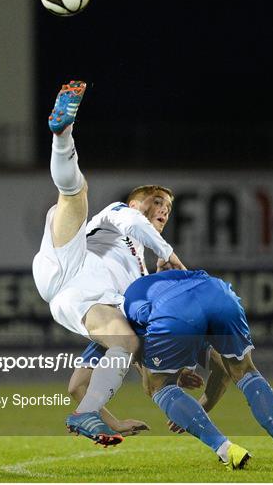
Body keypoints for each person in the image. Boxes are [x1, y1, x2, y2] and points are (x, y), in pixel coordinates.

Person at [32, 80, 186, 446]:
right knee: (75, 194)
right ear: (135, 202)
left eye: (167, 206)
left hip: (77, 301)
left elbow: (79, 385)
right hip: (71, 260)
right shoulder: (119, 216)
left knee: (125, 341)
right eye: (155, 200)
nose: (162, 208)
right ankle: (62, 133)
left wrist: (168, 371)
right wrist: (169, 253)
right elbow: (134, 223)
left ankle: (90, 418)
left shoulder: (139, 277)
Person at [79, 269, 273, 472]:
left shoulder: (111, 320)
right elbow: (222, 370)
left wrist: (190, 413)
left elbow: (82, 382)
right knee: (244, 371)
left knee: (156, 387)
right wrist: (199, 407)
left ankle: (226, 450)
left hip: (175, 312)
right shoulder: (150, 287)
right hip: (217, 291)